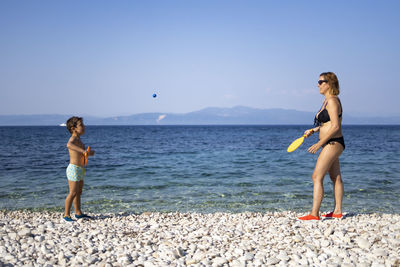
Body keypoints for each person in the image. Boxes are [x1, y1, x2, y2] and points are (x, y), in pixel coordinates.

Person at [299, 72, 345, 221]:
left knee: (316, 177)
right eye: (318, 82)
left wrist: (319, 143)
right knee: (335, 177)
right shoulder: (326, 101)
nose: (318, 84)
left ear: (329, 83)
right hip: (330, 142)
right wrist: (313, 130)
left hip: (333, 142)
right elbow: (327, 124)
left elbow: (336, 127)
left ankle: (314, 214)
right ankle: (337, 211)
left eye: (321, 82)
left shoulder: (332, 101)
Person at [64, 117, 95, 221]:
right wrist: (83, 151)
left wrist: (88, 153)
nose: (84, 127)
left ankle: (78, 212)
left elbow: (82, 154)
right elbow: (69, 145)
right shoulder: (73, 139)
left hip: (80, 169)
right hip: (73, 169)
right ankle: (66, 214)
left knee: (79, 192)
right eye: (81, 125)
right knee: (72, 192)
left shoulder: (79, 140)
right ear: (73, 128)